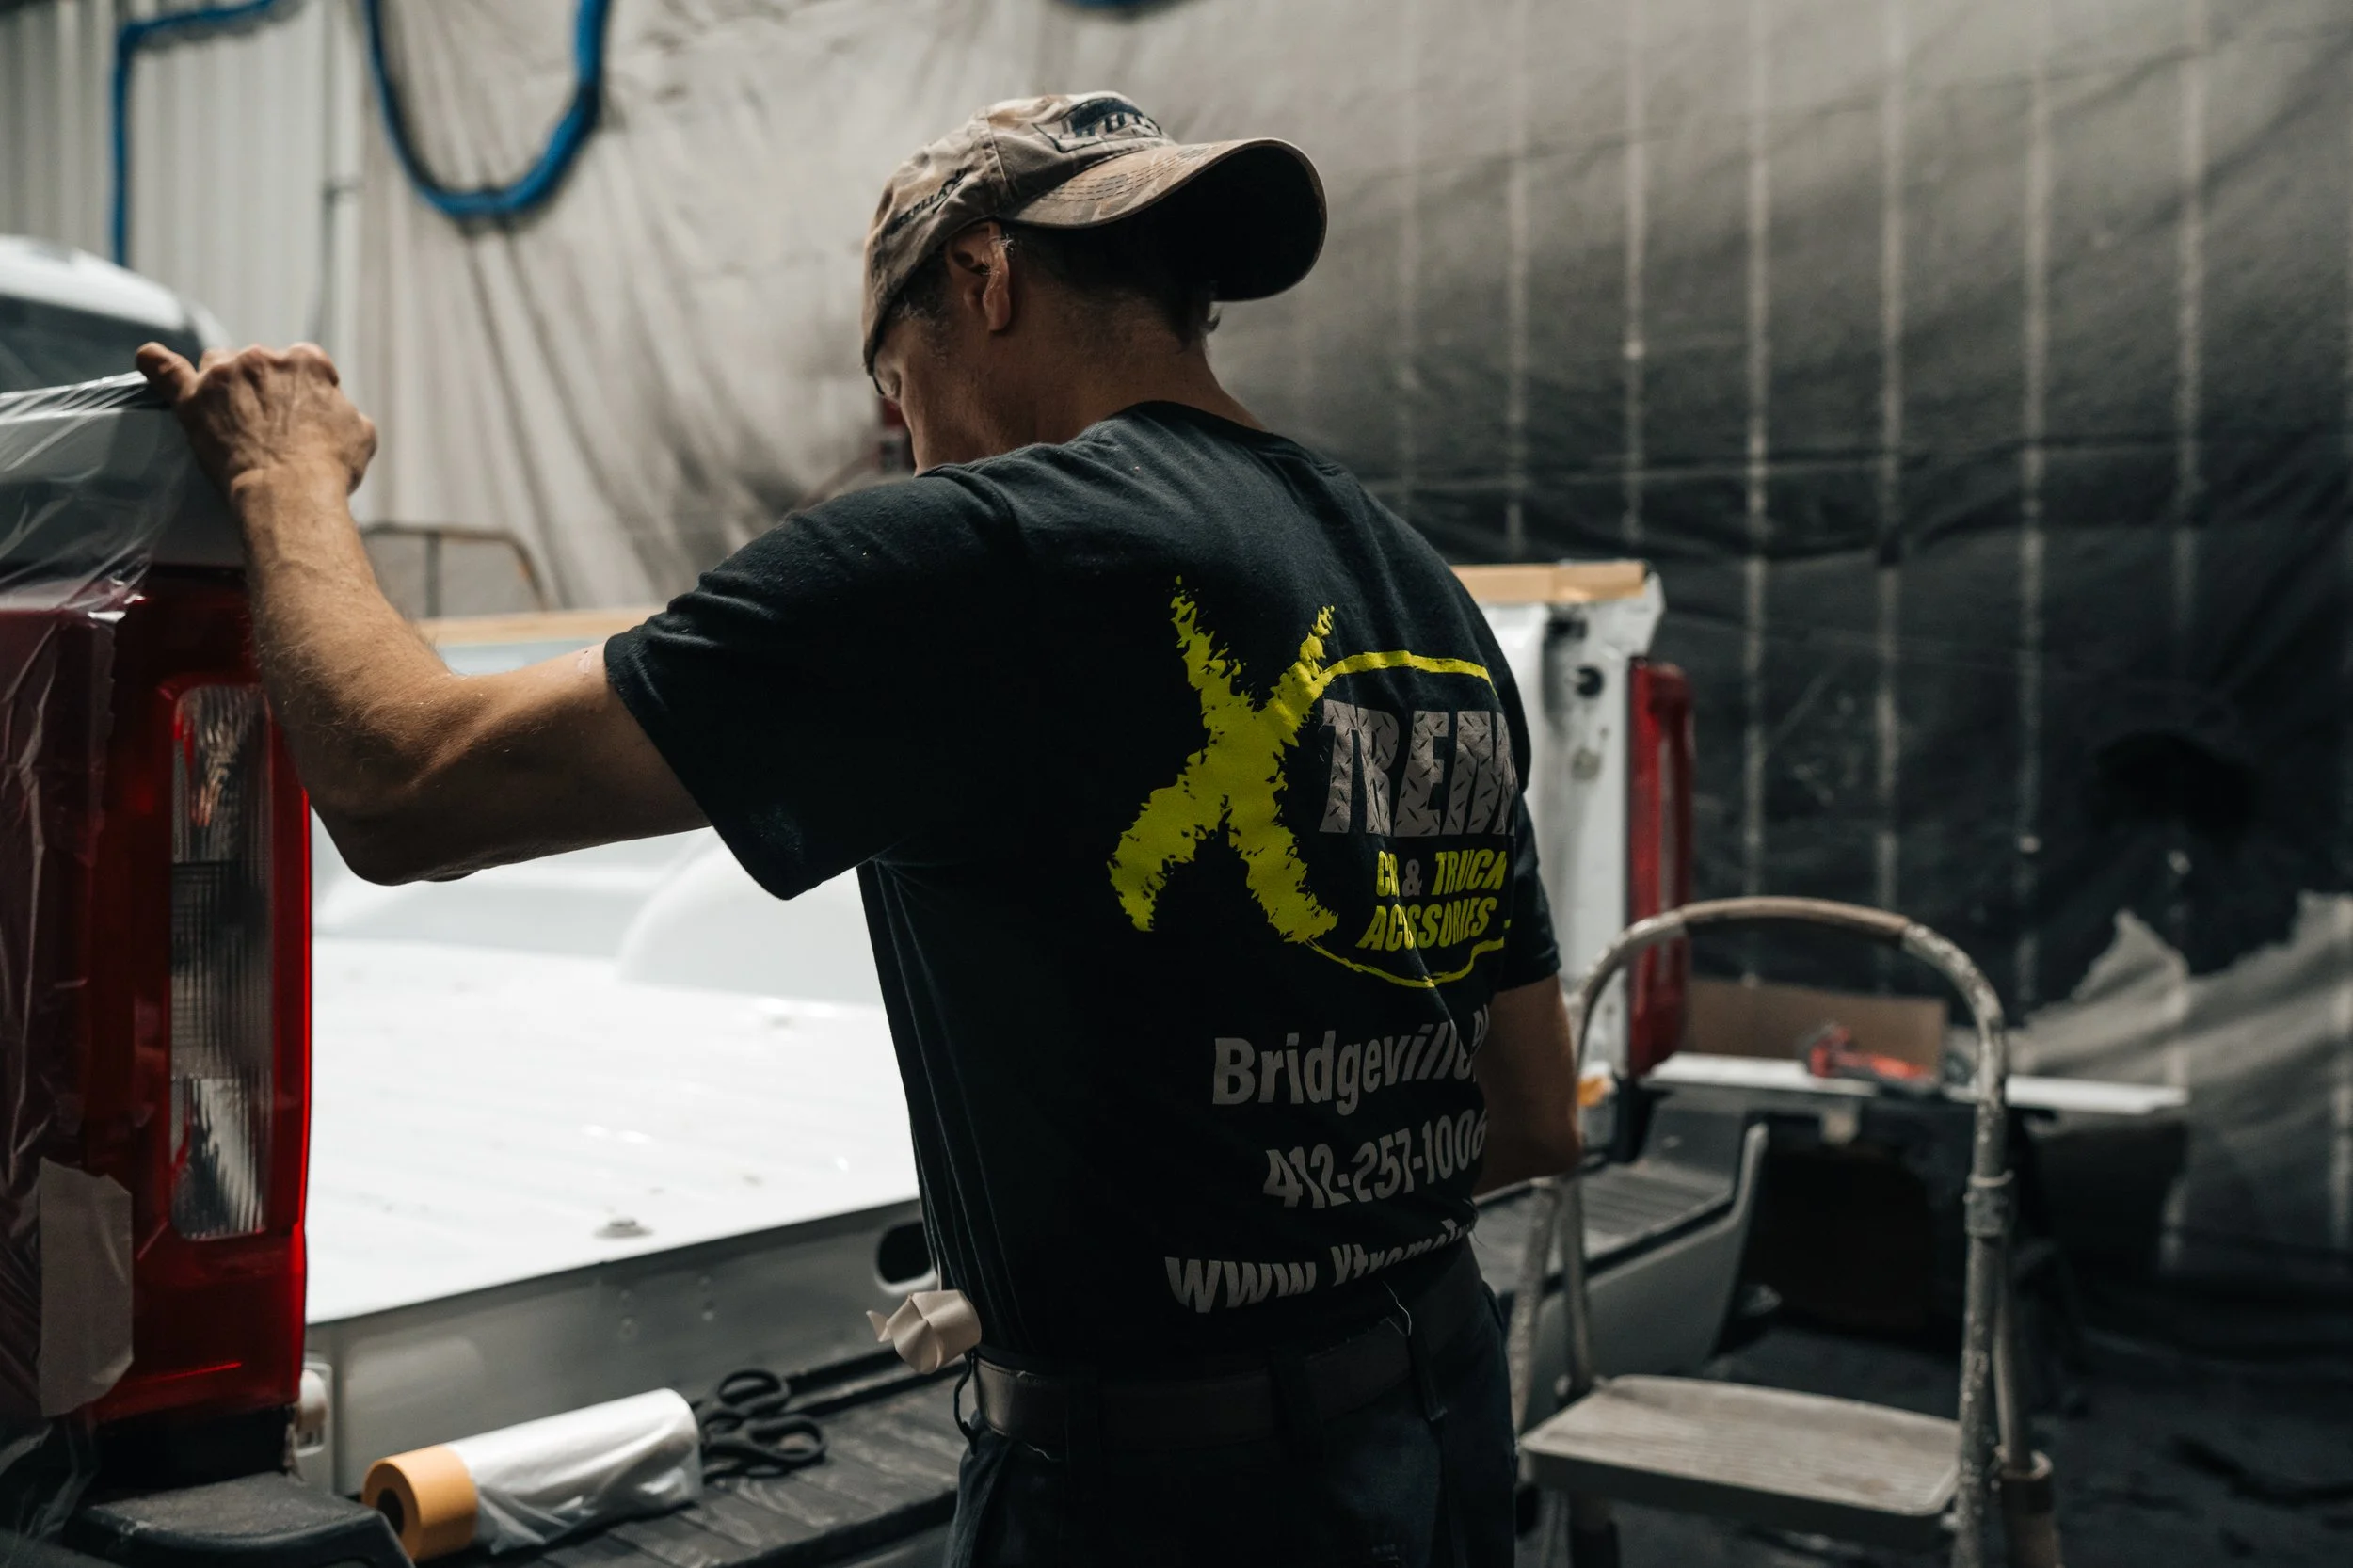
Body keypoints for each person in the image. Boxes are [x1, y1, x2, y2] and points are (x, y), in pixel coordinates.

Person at [137, 92, 1582, 1568]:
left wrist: (279, 475)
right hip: (1435, 1436)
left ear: (984, 277)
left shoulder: (991, 554)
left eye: (895, 385)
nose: (905, 441)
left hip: (1167, 1508)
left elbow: (403, 783)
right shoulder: (1426, 601)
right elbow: (1531, 1107)